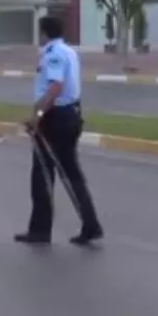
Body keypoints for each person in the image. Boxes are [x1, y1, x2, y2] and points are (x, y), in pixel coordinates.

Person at [14, 15, 104, 246]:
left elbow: (55, 87)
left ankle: (41, 231)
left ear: (44, 32)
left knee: (42, 176)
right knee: (72, 174)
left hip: (55, 120)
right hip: (71, 115)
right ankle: (90, 224)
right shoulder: (70, 51)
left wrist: (38, 117)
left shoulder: (52, 54)